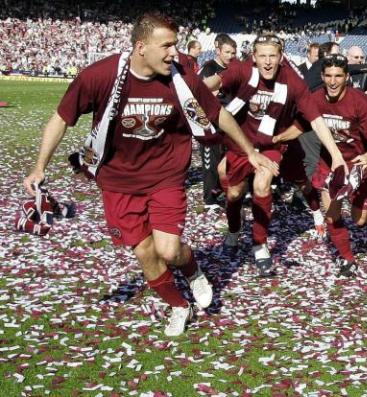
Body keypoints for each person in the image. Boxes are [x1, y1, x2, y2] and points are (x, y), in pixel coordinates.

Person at [22, 12, 278, 337]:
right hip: (118, 182)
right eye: (167, 45)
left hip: (166, 175)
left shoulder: (181, 77)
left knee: (168, 250)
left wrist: (250, 151)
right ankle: (178, 306)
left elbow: (219, 114)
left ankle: (193, 270)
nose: (174, 53)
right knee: (145, 252)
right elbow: (62, 118)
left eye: (176, 44)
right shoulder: (101, 76)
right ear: (141, 47)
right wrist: (40, 165)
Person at [204, 34, 345, 277]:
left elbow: (316, 120)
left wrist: (336, 155)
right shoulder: (241, 71)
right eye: (262, 56)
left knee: (262, 183)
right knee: (235, 193)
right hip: (241, 143)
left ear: (281, 58)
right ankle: (234, 231)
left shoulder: (293, 81)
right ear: (254, 57)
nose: (268, 62)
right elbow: (208, 85)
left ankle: (260, 244)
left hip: (271, 144)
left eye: (273, 56)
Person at [273, 54, 367, 277]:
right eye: (329, 76)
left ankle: (363, 199)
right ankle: (348, 260)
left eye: (338, 76)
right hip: (330, 162)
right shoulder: (315, 98)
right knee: (332, 212)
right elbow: (301, 125)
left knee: (359, 219)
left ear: (346, 77)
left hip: (360, 161)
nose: (333, 82)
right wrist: (274, 139)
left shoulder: (359, 101)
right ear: (322, 76)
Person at [198, 34, 237, 210]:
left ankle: (221, 190)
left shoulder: (235, 69)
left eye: (233, 52)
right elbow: (203, 96)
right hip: (210, 124)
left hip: (228, 122)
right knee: (211, 161)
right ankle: (209, 199)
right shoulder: (208, 69)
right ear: (218, 50)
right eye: (227, 52)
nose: (231, 56)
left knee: (228, 159)